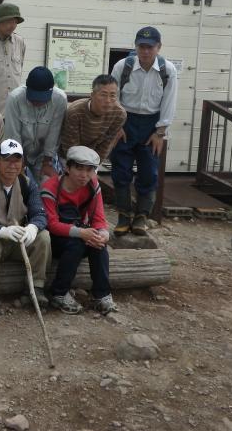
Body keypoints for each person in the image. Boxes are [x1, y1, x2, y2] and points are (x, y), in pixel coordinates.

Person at [109, 27, 178, 235]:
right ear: (136, 46)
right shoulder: (123, 66)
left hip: (152, 124)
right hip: (126, 121)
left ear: (158, 48)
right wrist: (117, 125)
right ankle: (123, 214)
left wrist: (160, 132)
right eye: (141, 46)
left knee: (149, 172)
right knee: (121, 170)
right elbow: (113, 96)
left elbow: (169, 101)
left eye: (150, 47)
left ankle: (141, 216)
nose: (145, 51)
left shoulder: (168, 70)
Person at [0, 139, 51, 317]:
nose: (12, 165)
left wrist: (32, 227)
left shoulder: (28, 184)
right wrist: (1, 230)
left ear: (22, 163)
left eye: (17, 160)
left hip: (19, 241)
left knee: (43, 236)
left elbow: (40, 214)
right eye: (7, 159)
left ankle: (35, 287)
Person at [40, 146, 117, 315]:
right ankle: (59, 293)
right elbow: (51, 224)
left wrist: (102, 235)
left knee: (98, 245)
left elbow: (98, 218)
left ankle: (101, 294)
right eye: (79, 168)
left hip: (78, 232)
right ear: (67, 168)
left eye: (89, 170)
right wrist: (81, 233)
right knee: (77, 244)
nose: (84, 175)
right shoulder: (50, 188)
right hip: (53, 240)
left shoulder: (93, 185)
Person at [3, 66, 68, 183]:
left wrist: (47, 162)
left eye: (42, 99)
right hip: (18, 152)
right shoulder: (15, 99)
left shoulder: (60, 99)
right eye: (33, 98)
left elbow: (54, 132)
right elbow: (13, 134)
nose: (37, 102)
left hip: (43, 154)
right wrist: (18, 163)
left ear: (51, 91)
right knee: (19, 184)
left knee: (47, 183)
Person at [59, 75, 127, 162]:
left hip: (93, 155)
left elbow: (106, 144)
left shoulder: (119, 114)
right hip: (68, 155)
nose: (108, 100)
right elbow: (70, 145)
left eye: (113, 95)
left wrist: (95, 164)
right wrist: (79, 166)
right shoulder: (75, 112)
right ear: (92, 95)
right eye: (103, 95)